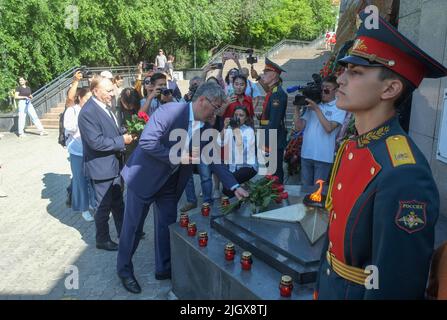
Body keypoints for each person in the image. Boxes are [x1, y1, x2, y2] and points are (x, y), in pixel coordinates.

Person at [314, 12, 447, 300]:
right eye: (344, 70)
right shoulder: (354, 146)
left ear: (390, 88)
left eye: (356, 73)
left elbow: (395, 282)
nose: (341, 80)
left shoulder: (404, 173)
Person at [117, 82, 249, 294]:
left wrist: (233, 186)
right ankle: (124, 270)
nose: (216, 113)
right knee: (133, 229)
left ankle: (164, 268)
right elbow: (148, 142)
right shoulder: (170, 110)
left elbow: (213, 157)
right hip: (143, 178)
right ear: (202, 100)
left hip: (170, 184)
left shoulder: (207, 127)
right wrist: (179, 156)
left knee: (167, 227)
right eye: (215, 107)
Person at [78, 76, 135, 251]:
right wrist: (121, 140)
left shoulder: (105, 106)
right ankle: (102, 239)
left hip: (114, 165)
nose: (113, 93)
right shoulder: (88, 112)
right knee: (103, 207)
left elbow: (111, 130)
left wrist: (124, 131)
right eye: (109, 90)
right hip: (101, 168)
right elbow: (96, 142)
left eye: (113, 89)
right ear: (95, 91)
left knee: (118, 203)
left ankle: (125, 232)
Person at [295, 75, 346, 189]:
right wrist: (297, 109)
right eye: (322, 88)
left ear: (336, 91)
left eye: (327, 89)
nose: (323, 91)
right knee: (305, 190)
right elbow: (299, 127)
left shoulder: (339, 107)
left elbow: (328, 128)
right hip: (306, 154)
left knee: (318, 192)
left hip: (323, 157)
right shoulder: (315, 104)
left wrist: (317, 109)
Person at [251, 58, 288, 183]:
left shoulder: (278, 94)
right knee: (269, 170)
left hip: (273, 137)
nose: (263, 75)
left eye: (265, 73)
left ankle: (278, 195)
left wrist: (265, 142)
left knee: (274, 171)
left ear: (273, 76)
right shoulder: (273, 91)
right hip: (269, 135)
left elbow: (274, 122)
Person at [63, 71, 94, 222]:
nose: (88, 102)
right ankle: (83, 208)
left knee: (91, 178)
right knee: (80, 180)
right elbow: (69, 127)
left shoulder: (92, 110)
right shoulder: (72, 110)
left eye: (90, 99)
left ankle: (93, 203)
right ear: (79, 98)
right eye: (86, 99)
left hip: (91, 150)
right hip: (77, 151)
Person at [218, 105, 257, 197]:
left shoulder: (249, 131)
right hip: (232, 166)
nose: (238, 117)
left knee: (228, 189)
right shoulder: (229, 129)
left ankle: (243, 195)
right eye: (236, 115)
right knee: (228, 187)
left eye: (241, 115)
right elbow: (219, 142)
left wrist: (236, 129)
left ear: (246, 118)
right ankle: (242, 191)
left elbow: (242, 150)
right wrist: (225, 127)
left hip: (247, 166)